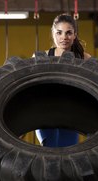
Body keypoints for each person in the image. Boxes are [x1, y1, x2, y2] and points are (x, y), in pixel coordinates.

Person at [35, 13, 91, 147]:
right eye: (59, 33)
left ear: (75, 35)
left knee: (68, 156)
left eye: (68, 33)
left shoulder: (85, 58)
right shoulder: (42, 57)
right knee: (49, 153)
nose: (64, 37)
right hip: (46, 114)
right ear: (53, 33)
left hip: (71, 115)